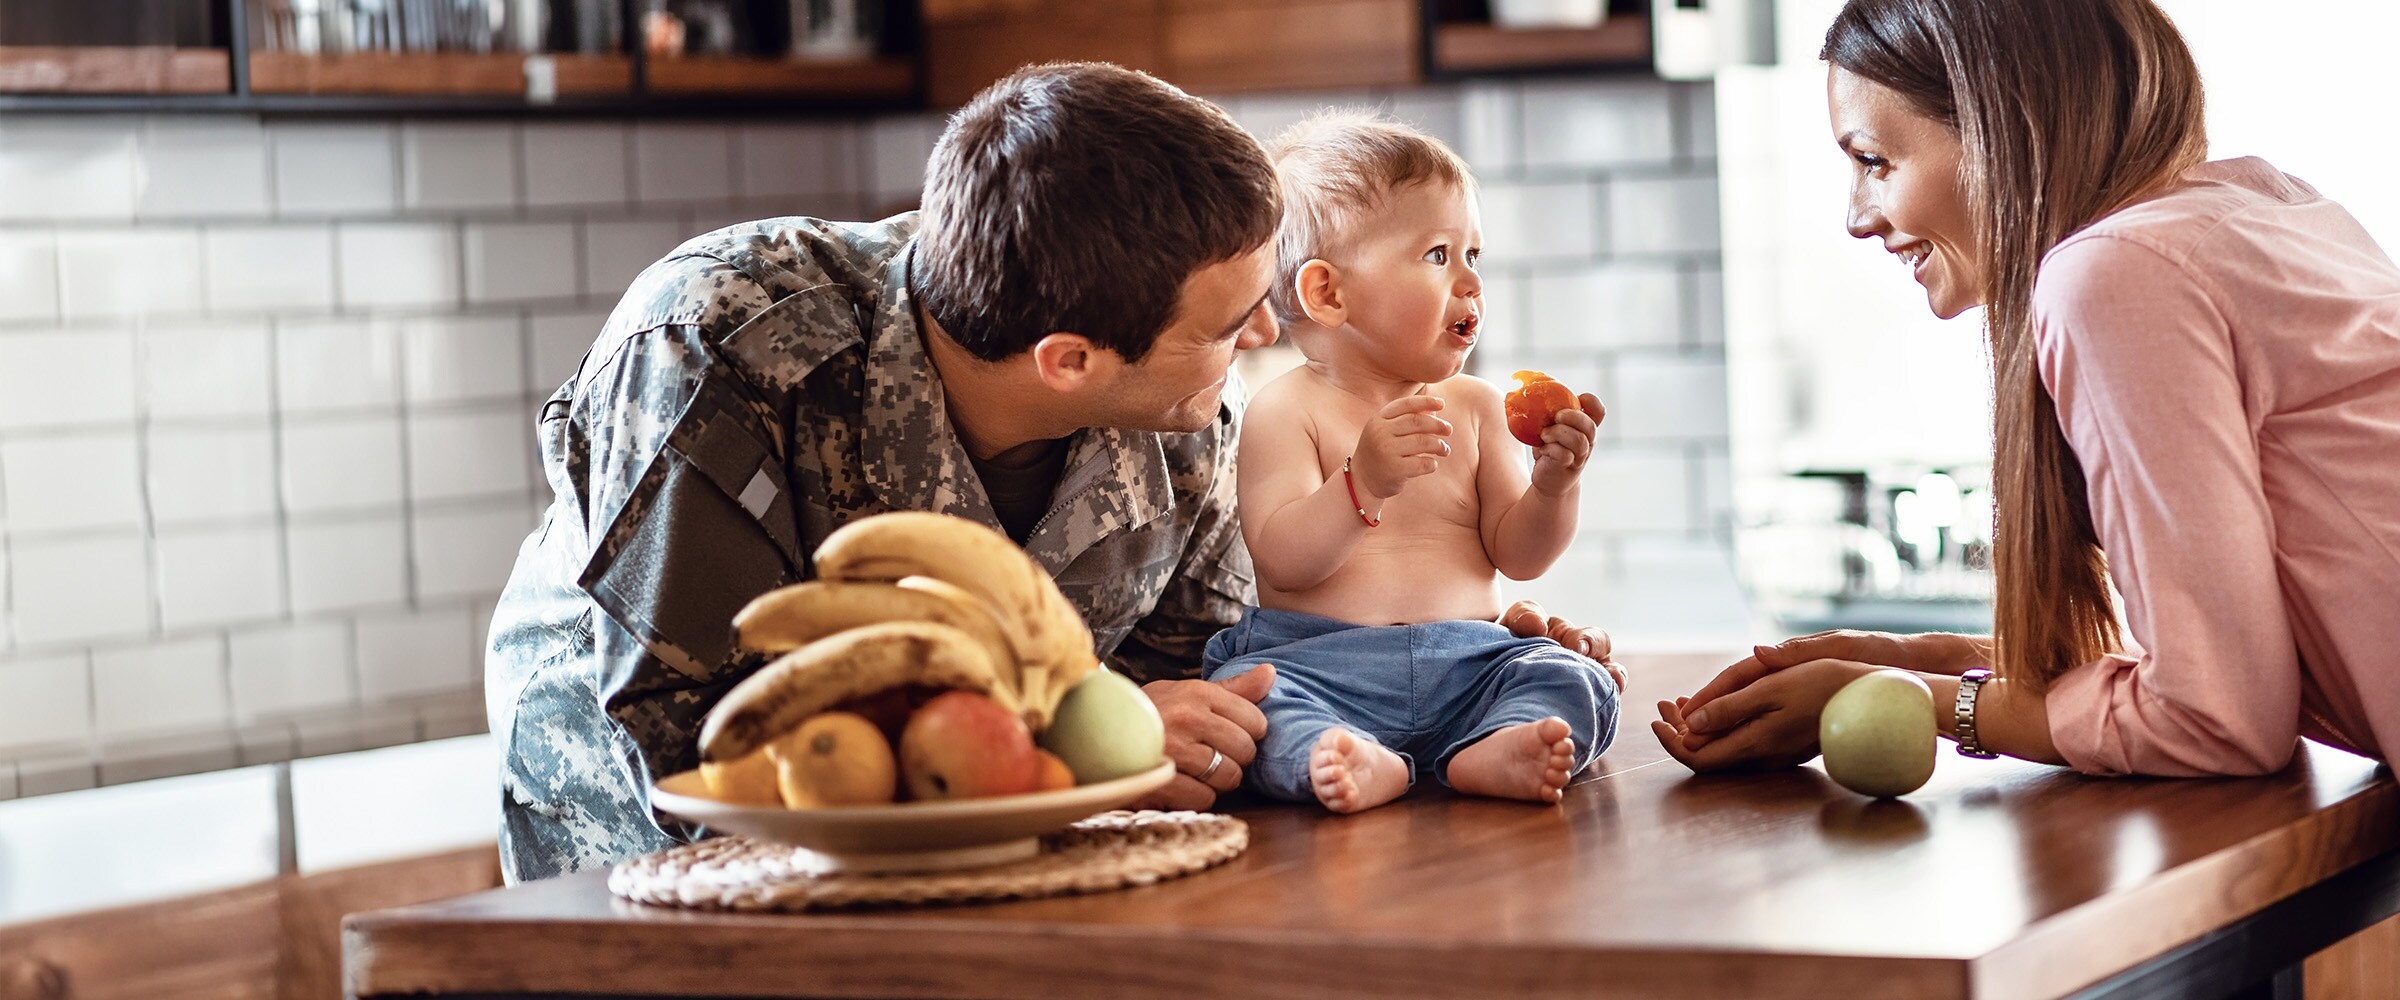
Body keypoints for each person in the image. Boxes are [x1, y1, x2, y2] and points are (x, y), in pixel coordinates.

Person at [485, 62, 1294, 882]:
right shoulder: (713, 346)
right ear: (1070, 361)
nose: (1265, 333)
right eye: (1230, 323)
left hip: (1010, 876)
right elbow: (696, 740)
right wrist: (1077, 753)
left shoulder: (1181, 405)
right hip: (635, 870)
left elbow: (1192, 672)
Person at [1654, 0, 2400, 777]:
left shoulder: (2118, 272)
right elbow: (2225, 657)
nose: (1857, 217)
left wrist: (1921, 697)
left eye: (1874, 161)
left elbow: (2216, 719)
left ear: (1999, 128)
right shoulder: (2258, 206)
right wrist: (1917, 657)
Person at [1205, 111, 1623, 813]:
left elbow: (1518, 556)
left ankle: (1498, 743)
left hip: (1473, 663)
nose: (1471, 283)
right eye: (1438, 255)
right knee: (1253, 704)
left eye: (1474, 256)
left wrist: (1553, 487)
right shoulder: (1283, 411)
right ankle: (1346, 757)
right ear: (1328, 294)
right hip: (1323, 668)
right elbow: (1285, 561)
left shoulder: (1477, 406)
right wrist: (1360, 483)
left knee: (1573, 676)